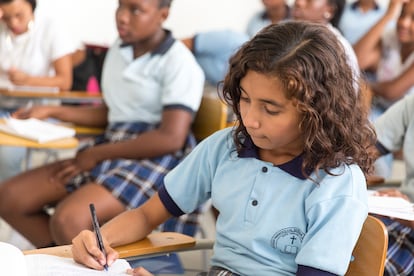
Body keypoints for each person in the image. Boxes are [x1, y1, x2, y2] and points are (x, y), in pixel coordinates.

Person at [71, 21, 376, 276]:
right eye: (244, 99)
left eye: (270, 109)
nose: (250, 120)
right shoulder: (226, 147)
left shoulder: (337, 184)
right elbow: (147, 216)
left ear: (316, 111)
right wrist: (99, 240)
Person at [0, 0, 205, 248]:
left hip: (156, 156)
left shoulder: (178, 62)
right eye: (120, 6)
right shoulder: (119, 49)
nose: (122, 17)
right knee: (9, 198)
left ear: (163, 15)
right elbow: (113, 113)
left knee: (68, 221)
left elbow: (170, 137)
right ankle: (67, 262)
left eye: (135, 10)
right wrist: (52, 110)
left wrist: (97, 154)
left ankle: (84, 262)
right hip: (113, 143)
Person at [0, 0, 75, 181]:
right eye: (6, 16)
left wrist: (28, 81)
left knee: (6, 155)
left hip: (36, 111)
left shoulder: (50, 28)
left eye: (19, 15)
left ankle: (9, 203)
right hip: (3, 107)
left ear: (32, 5)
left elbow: (65, 81)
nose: (13, 23)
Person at [353, 0, 414, 178]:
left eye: (412, 18)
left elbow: (393, 91)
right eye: (402, 15)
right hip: (380, 117)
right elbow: (355, 60)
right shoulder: (392, 38)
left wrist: (369, 85)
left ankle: (369, 176)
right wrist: (388, 15)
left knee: (364, 92)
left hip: (406, 125)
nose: (404, 23)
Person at [370, 93, 414, 276]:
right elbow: (364, 147)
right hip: (401, 215)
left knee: (369, 261)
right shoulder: (411, 105)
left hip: (407, 221)